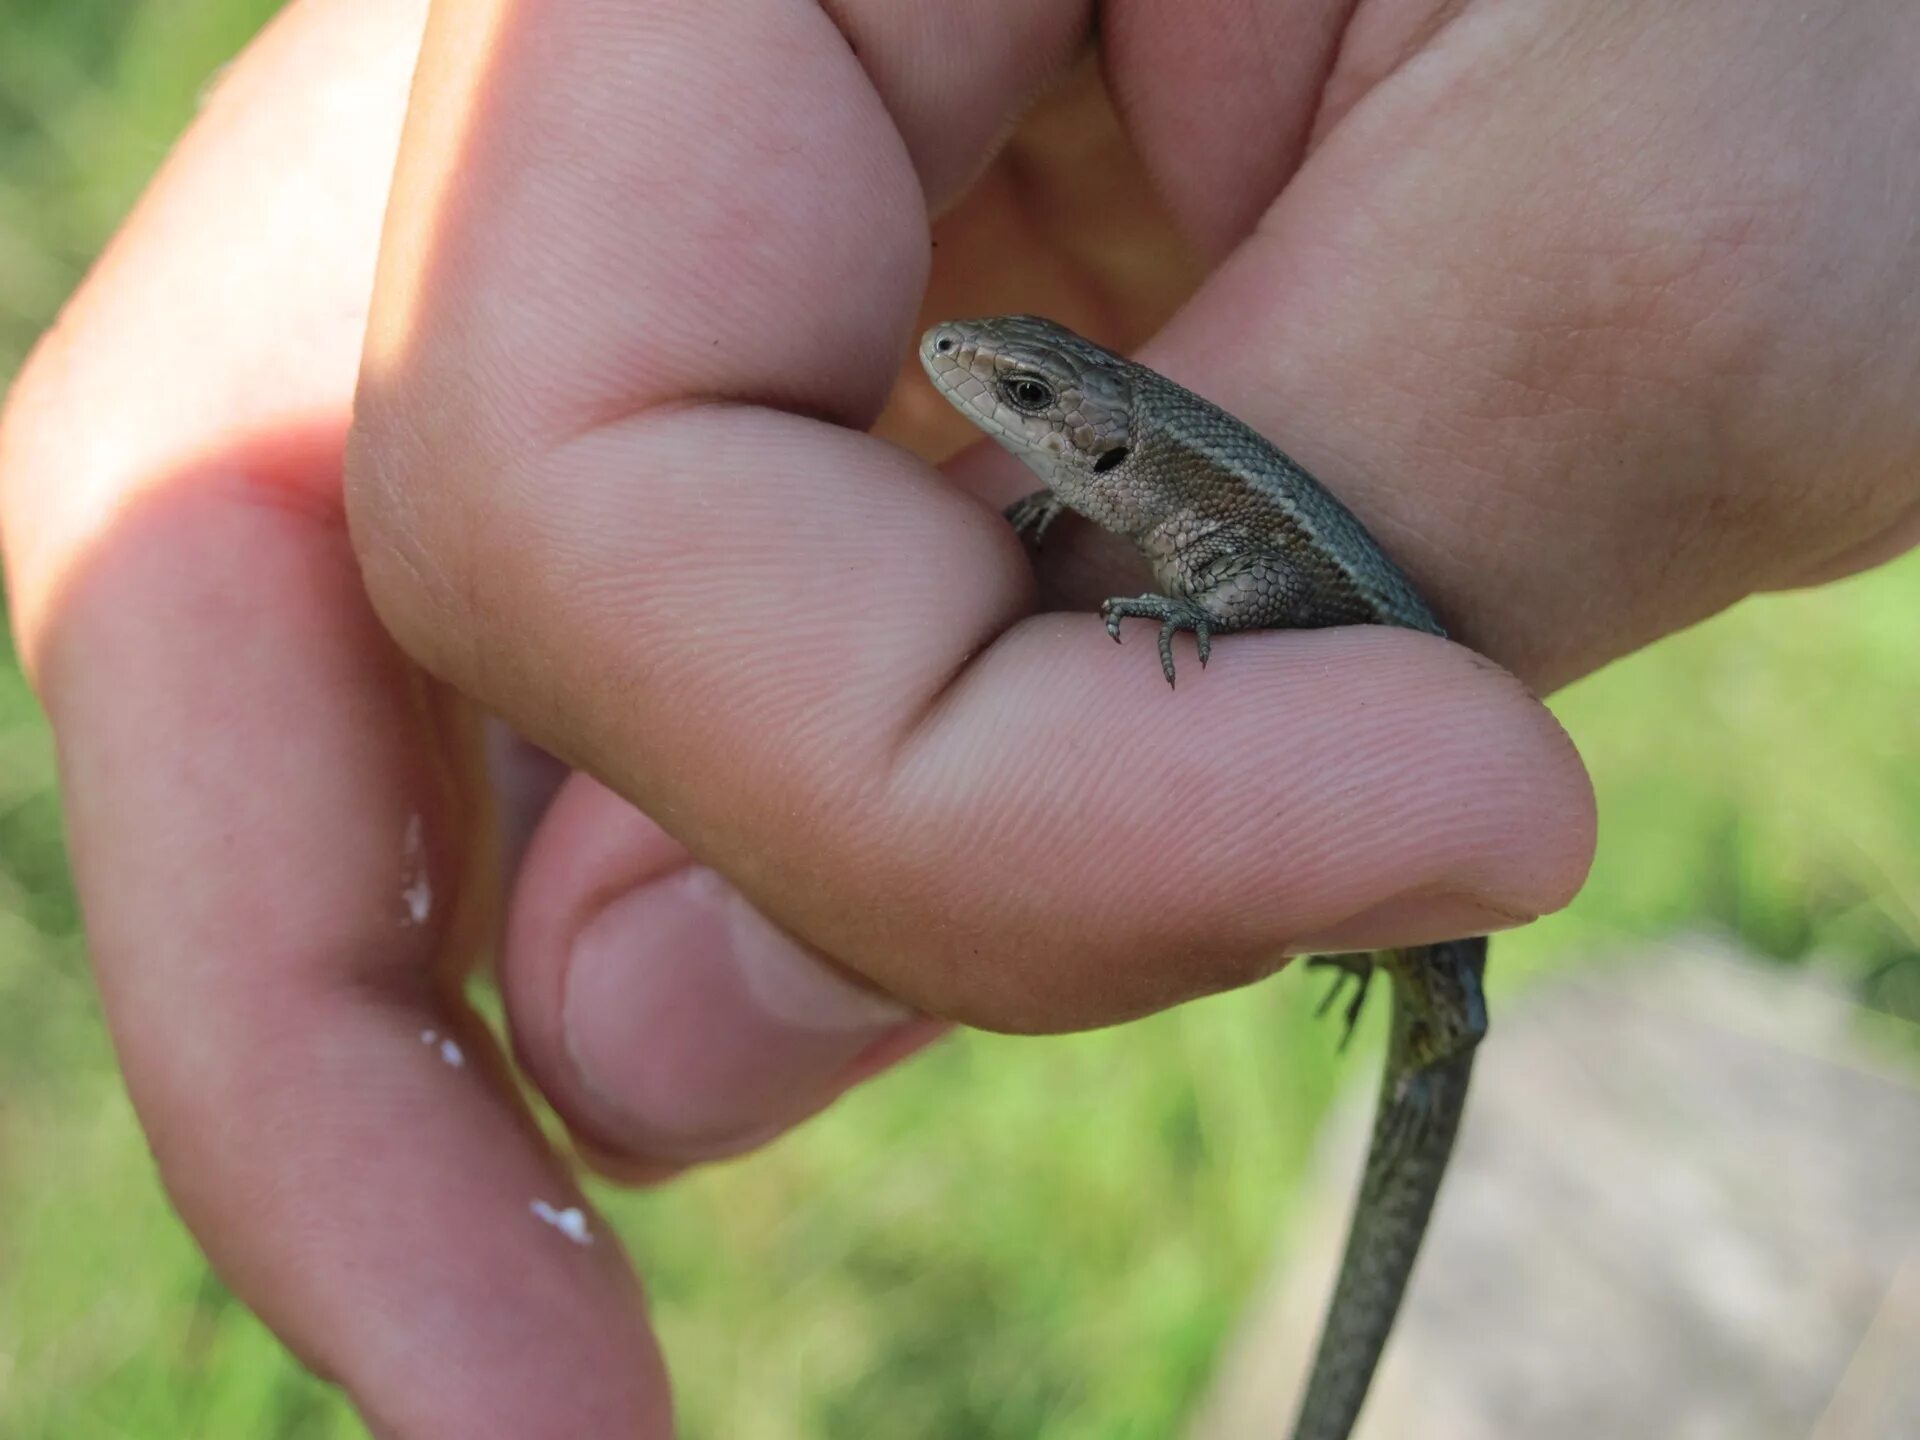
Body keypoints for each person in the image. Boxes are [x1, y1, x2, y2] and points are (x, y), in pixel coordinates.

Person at [2, 1, 1915, 1434]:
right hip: (1406, 884)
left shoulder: (1182, 499)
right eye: (1007, 394)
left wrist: (1161, 600)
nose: (970, 385)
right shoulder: (1099, 454)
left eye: (1014, 395)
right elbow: (1116, 499)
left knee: (1423, 972)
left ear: (1088, 431)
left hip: (1438, 943)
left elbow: (1254, 590)